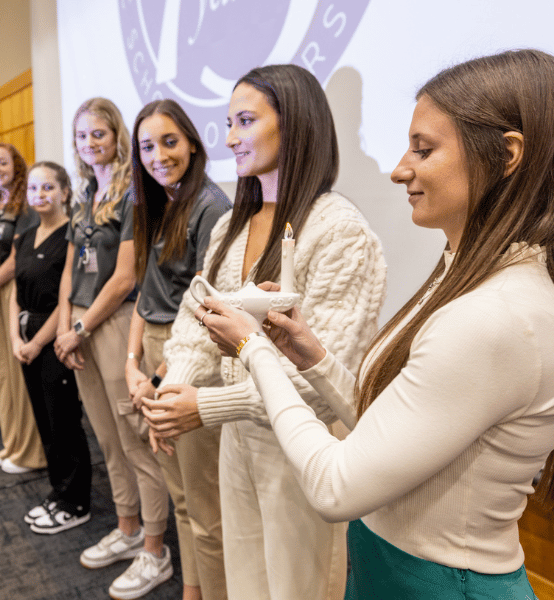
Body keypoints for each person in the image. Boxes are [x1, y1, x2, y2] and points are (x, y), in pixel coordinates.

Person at [198, 50, 554, 599]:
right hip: (393, 565)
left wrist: (251, 348)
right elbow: (392, 425)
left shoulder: (497, 316)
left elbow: (336, 485)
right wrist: (310, 354)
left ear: (506, 156)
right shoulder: (466, 279)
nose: (399, 168)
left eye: (423, 150)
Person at [140, 66, 386, 600]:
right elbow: (194, 312)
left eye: (245, 121)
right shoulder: (232, 224)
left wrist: (205, 407)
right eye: (229, 122)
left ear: (294, 125)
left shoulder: (339, 230)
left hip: (300, 445)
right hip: (240, 439)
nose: (229, 137)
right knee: (245, 577)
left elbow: (322, 376)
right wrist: (173, 389)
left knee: (298, 587)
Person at [52, 97, 171, 600]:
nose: (90, 144)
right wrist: (65, 326)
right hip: (79, 325)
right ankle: (127, 529)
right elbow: (69, 267)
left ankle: (156, 550)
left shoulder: (133, 196)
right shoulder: (84, 195)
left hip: (114, 322)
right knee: (106, 437)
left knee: (134, 438)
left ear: (117, 136)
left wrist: (79, 327)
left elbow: (125, 277)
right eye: (82, 136)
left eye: (98, 134)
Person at [125, 98, 231, 600]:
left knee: (205, 506)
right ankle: (193, 589)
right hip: (153, 353)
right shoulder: (157, 201)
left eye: (169, 141)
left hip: (189, 357)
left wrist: (161, 376)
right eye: (147, 145)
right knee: (182, 497)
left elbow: (206, 312)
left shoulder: (212, 208)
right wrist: (132, 366)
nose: (159, 154)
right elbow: (144, 295)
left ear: (192, 141)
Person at [10, 161, 93, 534]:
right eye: (33, 189)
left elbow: (67, 297)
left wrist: (37, 342)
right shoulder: (25, 236)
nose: (39, 195)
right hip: (25, 341)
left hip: (53, 339)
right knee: (45, 421)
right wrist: (15, 339)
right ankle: (58, 492)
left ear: (64, 192)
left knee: (64, 423)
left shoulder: (71, 236)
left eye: (47, 188)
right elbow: (15, 291)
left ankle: (76, 501)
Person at [0, 142, 45, 474]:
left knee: (19, 373)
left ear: (16, 165)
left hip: (15, 290)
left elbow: (19, 256)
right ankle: (12, 442)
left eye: (2, 162)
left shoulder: (25, 204)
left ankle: (31, 451)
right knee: (2, 370)